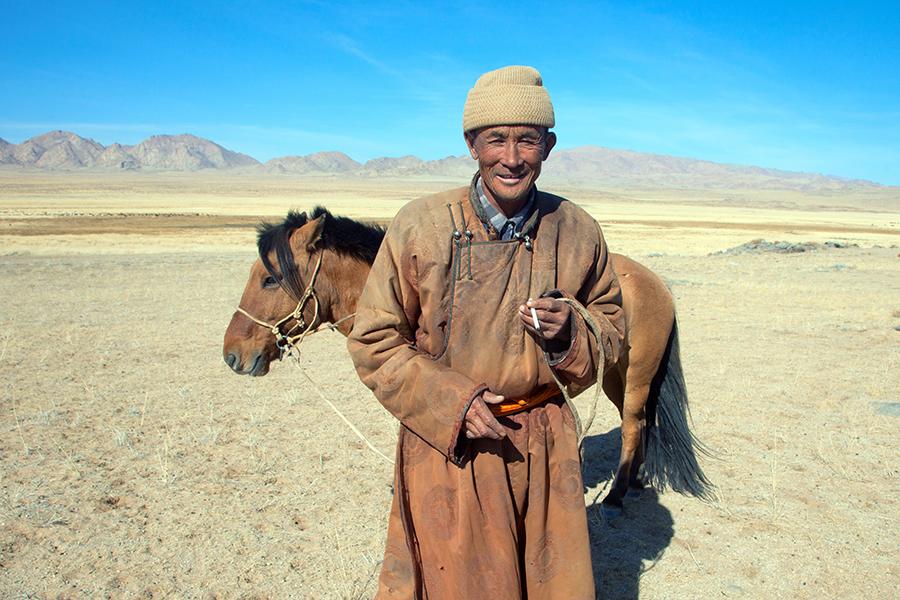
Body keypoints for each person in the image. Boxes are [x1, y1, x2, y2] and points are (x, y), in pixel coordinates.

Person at [347, 65, 625, 599]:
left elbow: (612, 328)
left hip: (547, 444)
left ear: (549, 145)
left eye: (528, 140)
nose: (513, 157)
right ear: (471, 144)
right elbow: (374, 339)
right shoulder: (420, 225)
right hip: (451, 445)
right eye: (496, 139)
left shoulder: (577, 229)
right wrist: (454, 402)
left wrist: (572, 332)